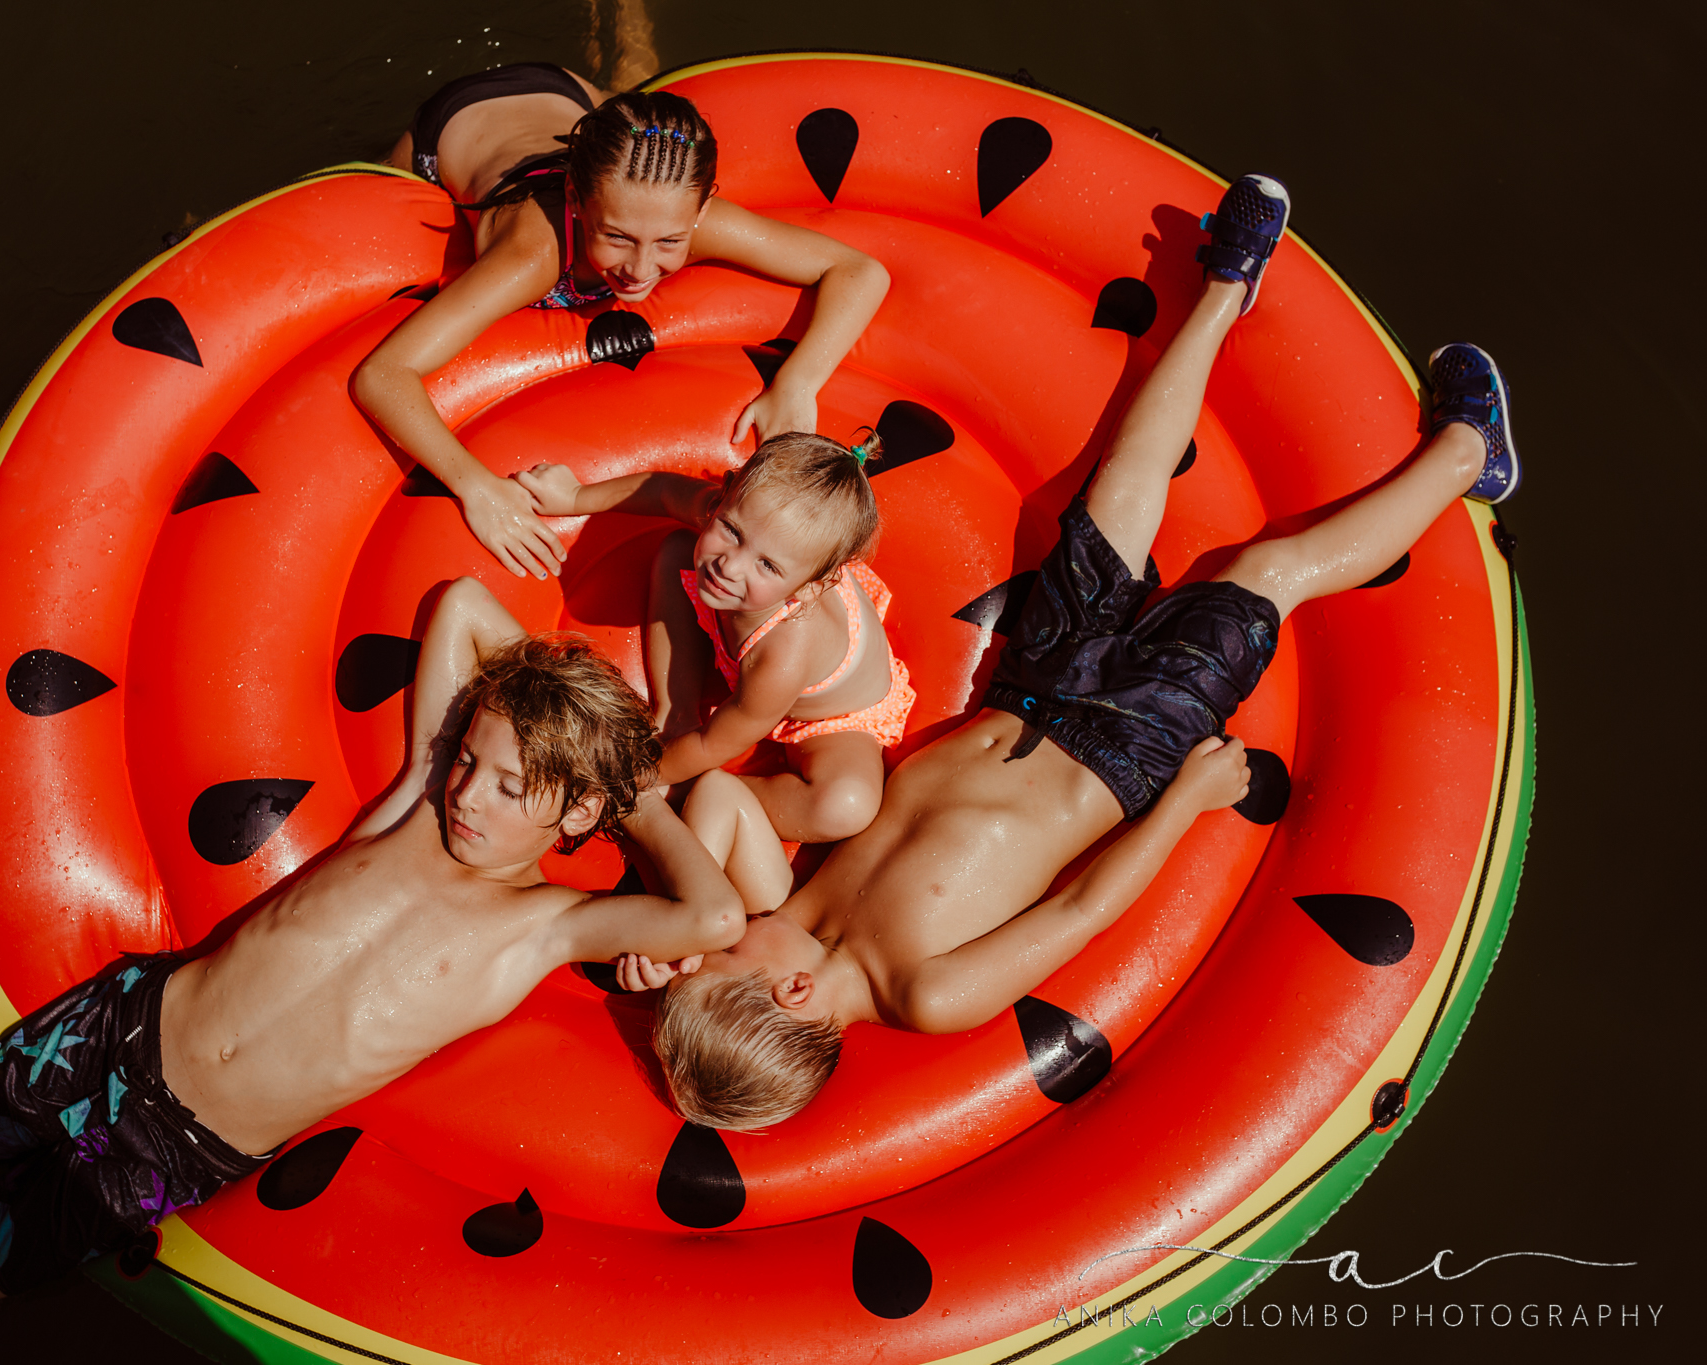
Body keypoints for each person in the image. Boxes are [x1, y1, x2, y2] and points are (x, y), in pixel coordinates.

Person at [626, 174, 1525, 1131]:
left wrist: (670, 924)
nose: (714, 941)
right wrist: (1184, 800)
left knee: (1121, 489)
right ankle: (1470, 454)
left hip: (1032, 682)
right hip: (1125, 743)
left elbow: (715, 804)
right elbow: (1079, 911)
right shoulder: (925, 993)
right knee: (1267, 571)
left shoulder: (786, 909)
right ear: (794, 994)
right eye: (717, 960)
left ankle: (1227, 286)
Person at [0, 577, 744, 1322]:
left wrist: (625, 790)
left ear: (580, 810)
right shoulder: (416, 804)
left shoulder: (544, 924)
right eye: (471, 760)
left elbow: (714, 917)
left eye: (511, 787)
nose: (471, 794)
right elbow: (467, 605)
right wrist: (546, 717)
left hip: (178, 1148)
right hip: (121, 1026)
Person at [356, 73, 891, 582]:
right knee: (367, 183)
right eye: (616, 237)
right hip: (454, 125)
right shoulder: (534, 255)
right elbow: (383, 373)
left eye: (669, 243)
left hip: (564, 94)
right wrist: (476, 486)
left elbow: (860, 272)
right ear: (575, 202)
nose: (640, 268)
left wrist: (797, 381)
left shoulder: (682, 220)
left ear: (701, 208)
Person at [518, 430, 914, 844]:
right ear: (724, 495)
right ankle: (675, 712)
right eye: (731, 530)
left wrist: (625, 783)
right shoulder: (741, 516)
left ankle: (694, 792)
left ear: (811, 587)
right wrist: (574, 497)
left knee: (844, 807)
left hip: (827, 717)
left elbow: (714, 743)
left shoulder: (784, 655)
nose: (730, 565)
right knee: (677, 549)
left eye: (767, 565)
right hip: (752, 632)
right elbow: (662, 490)